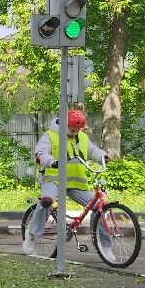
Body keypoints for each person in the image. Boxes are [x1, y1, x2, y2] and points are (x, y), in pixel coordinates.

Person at [22, 107, 109, 255]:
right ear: (65, 125)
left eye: (78, 129)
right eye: (73, 129)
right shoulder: (51, 136)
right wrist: (52, 161)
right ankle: (31, 236)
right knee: (46, 202)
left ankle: (104, 245)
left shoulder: (81, 137)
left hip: (75, 183)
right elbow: (40, 153)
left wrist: (103, 156)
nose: (75, 132)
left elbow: (92, 151)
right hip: (54, 179)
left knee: (100, 207)